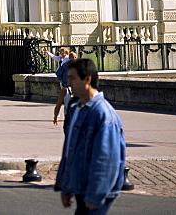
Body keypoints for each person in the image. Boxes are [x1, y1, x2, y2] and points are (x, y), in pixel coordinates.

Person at [54, 58, 126, 214]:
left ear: (87, 79)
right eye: (68, 78)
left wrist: (96, 195)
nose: (68, 82)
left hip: (97, 191)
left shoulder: (103, 114)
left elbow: (106, 159)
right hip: (81, 186)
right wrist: (66, 186)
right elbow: (70, 151)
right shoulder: (77, 108)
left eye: (72, 78)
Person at [48, 48, 76, 125]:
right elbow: (58, 73)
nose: (73, 59)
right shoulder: (65, 66)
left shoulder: (79, 66)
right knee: (67, 102)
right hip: (66, 87)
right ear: (69, 57)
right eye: (72, 57)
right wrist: (62, 80)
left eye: (74, 57)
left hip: (76, 89)